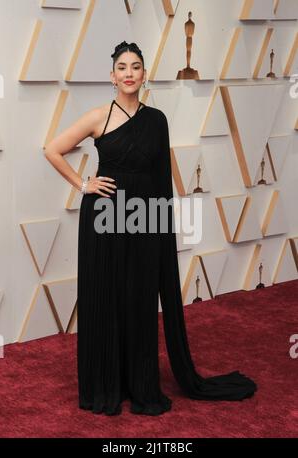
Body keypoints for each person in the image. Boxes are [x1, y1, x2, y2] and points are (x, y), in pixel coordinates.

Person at [45, 41, 257, 416]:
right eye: (122, 67)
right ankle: (104, 384)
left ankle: (140, 384)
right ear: (113, 76)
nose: (129, 73)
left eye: (136, 67)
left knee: (139, 298)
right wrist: (83, 184)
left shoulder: (157, 120)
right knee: (106, 296)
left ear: (145, 75)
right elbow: (52, 149)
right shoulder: (98, 117)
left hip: (145, 218)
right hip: (105, 218)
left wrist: (162, 232)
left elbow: (161, 179)